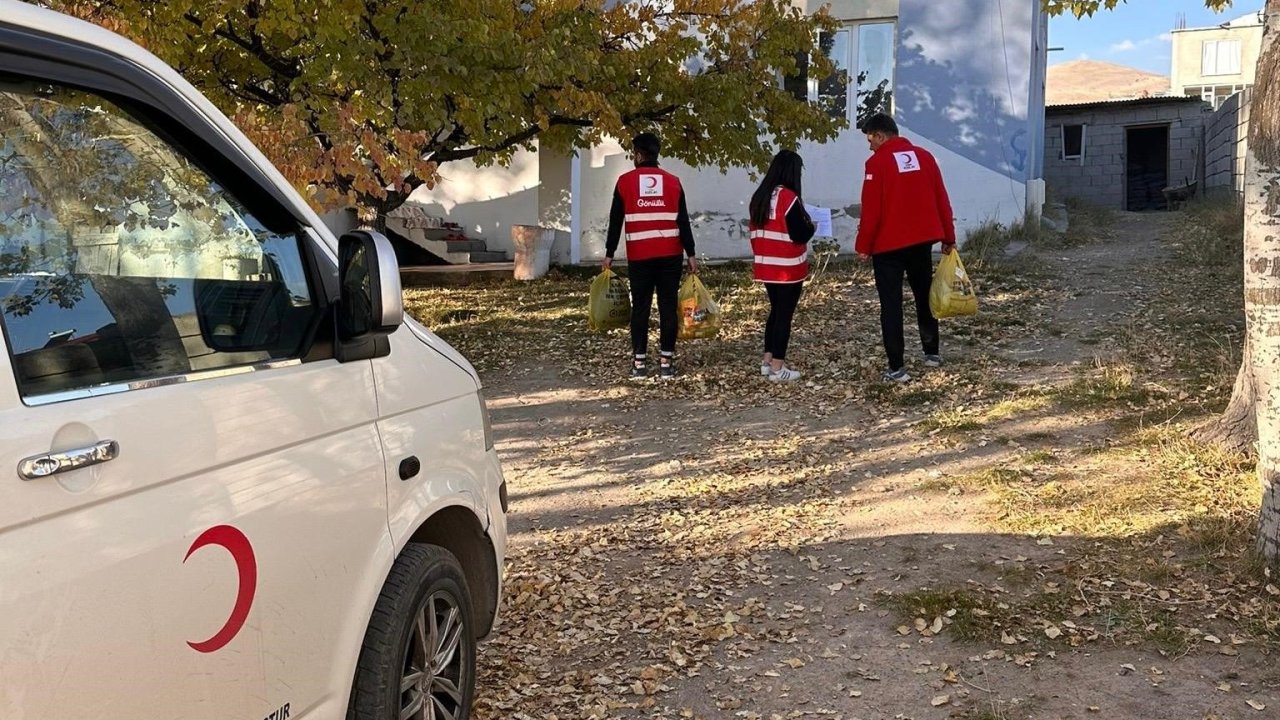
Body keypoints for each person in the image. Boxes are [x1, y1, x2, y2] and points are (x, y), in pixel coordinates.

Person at [854, 113, 956, 384]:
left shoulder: (876, 163)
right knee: (924, 296)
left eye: (870, 139)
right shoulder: (924, 157)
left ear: (881, 135)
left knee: (891, 304)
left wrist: (863, 246)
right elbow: (941, 198)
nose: (870, 146)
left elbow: (871, 210)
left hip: (888, 247)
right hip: (922, 242)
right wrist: (948, 236)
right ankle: (932, 353)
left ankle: (897, 367)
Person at [604, 132, 699, 380]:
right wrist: (691, 253)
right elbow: (683, 221)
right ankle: (666, 362)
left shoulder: (624, 182)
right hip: (670, 255)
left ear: (637, 155)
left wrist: (609, 254)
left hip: (640, 256)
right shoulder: (673, 182)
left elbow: (616, 221)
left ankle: (639, 364)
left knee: (641, 309)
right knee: (668, 308)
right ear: (656, 154)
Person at [748, 149, 815, 383]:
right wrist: (812, 227)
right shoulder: (788, 198)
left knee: (775, 312)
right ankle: (778, 367)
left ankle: (767, 361)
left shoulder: (760, 196)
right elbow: (800, 233)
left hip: (766, 265)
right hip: (788, 266)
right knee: (784, 316)